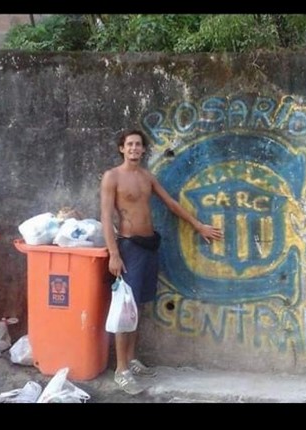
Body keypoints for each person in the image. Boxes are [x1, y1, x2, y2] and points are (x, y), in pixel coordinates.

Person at [100, 128, 223, 395]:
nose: (134, 148)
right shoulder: (112, 177)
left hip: (149, 246)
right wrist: (114, 253)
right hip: (129, 247)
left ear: (144, 149)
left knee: (138, 306)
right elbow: (106, 217)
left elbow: (171, 204)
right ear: (122, 148)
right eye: (129, 144)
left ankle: (131, 360)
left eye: (138, 144)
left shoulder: (147, 177)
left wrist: (198, 225)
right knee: (124, 308)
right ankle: (121, 370)